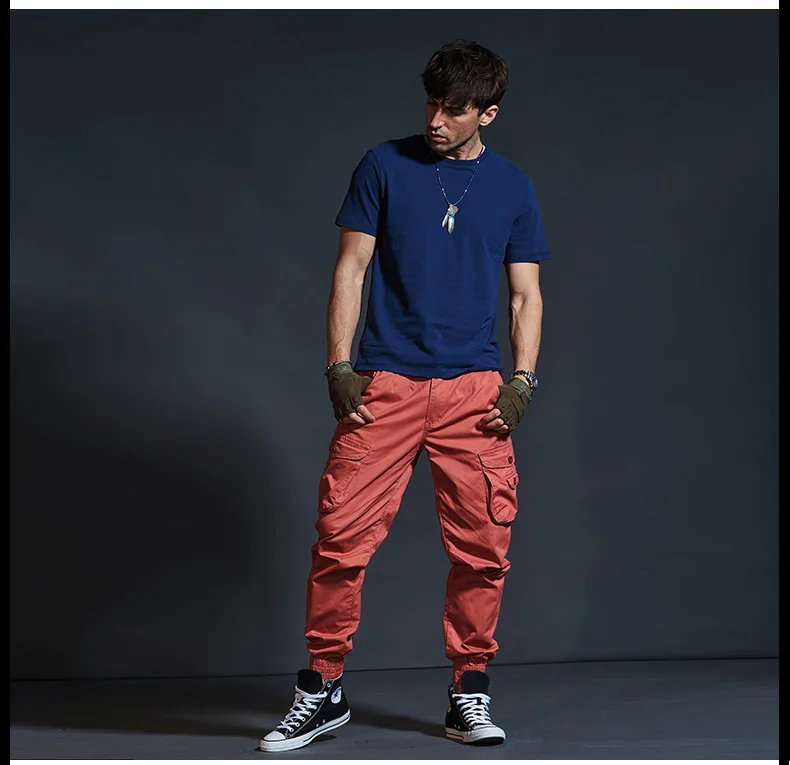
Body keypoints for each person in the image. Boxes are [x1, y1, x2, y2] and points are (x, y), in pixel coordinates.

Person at [260, 38, 550, 753]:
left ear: (488, 113)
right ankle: (323, 687)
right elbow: (351, 268)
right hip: (385, 385)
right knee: (340, 541)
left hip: (474, 392)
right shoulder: (383, 165)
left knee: (483, 550)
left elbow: (525, 295)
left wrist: (522, 380)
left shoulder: (513, 187)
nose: (436, 120)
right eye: (431, 103)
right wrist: (338, 365)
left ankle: (469, 691)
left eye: (454, 109)